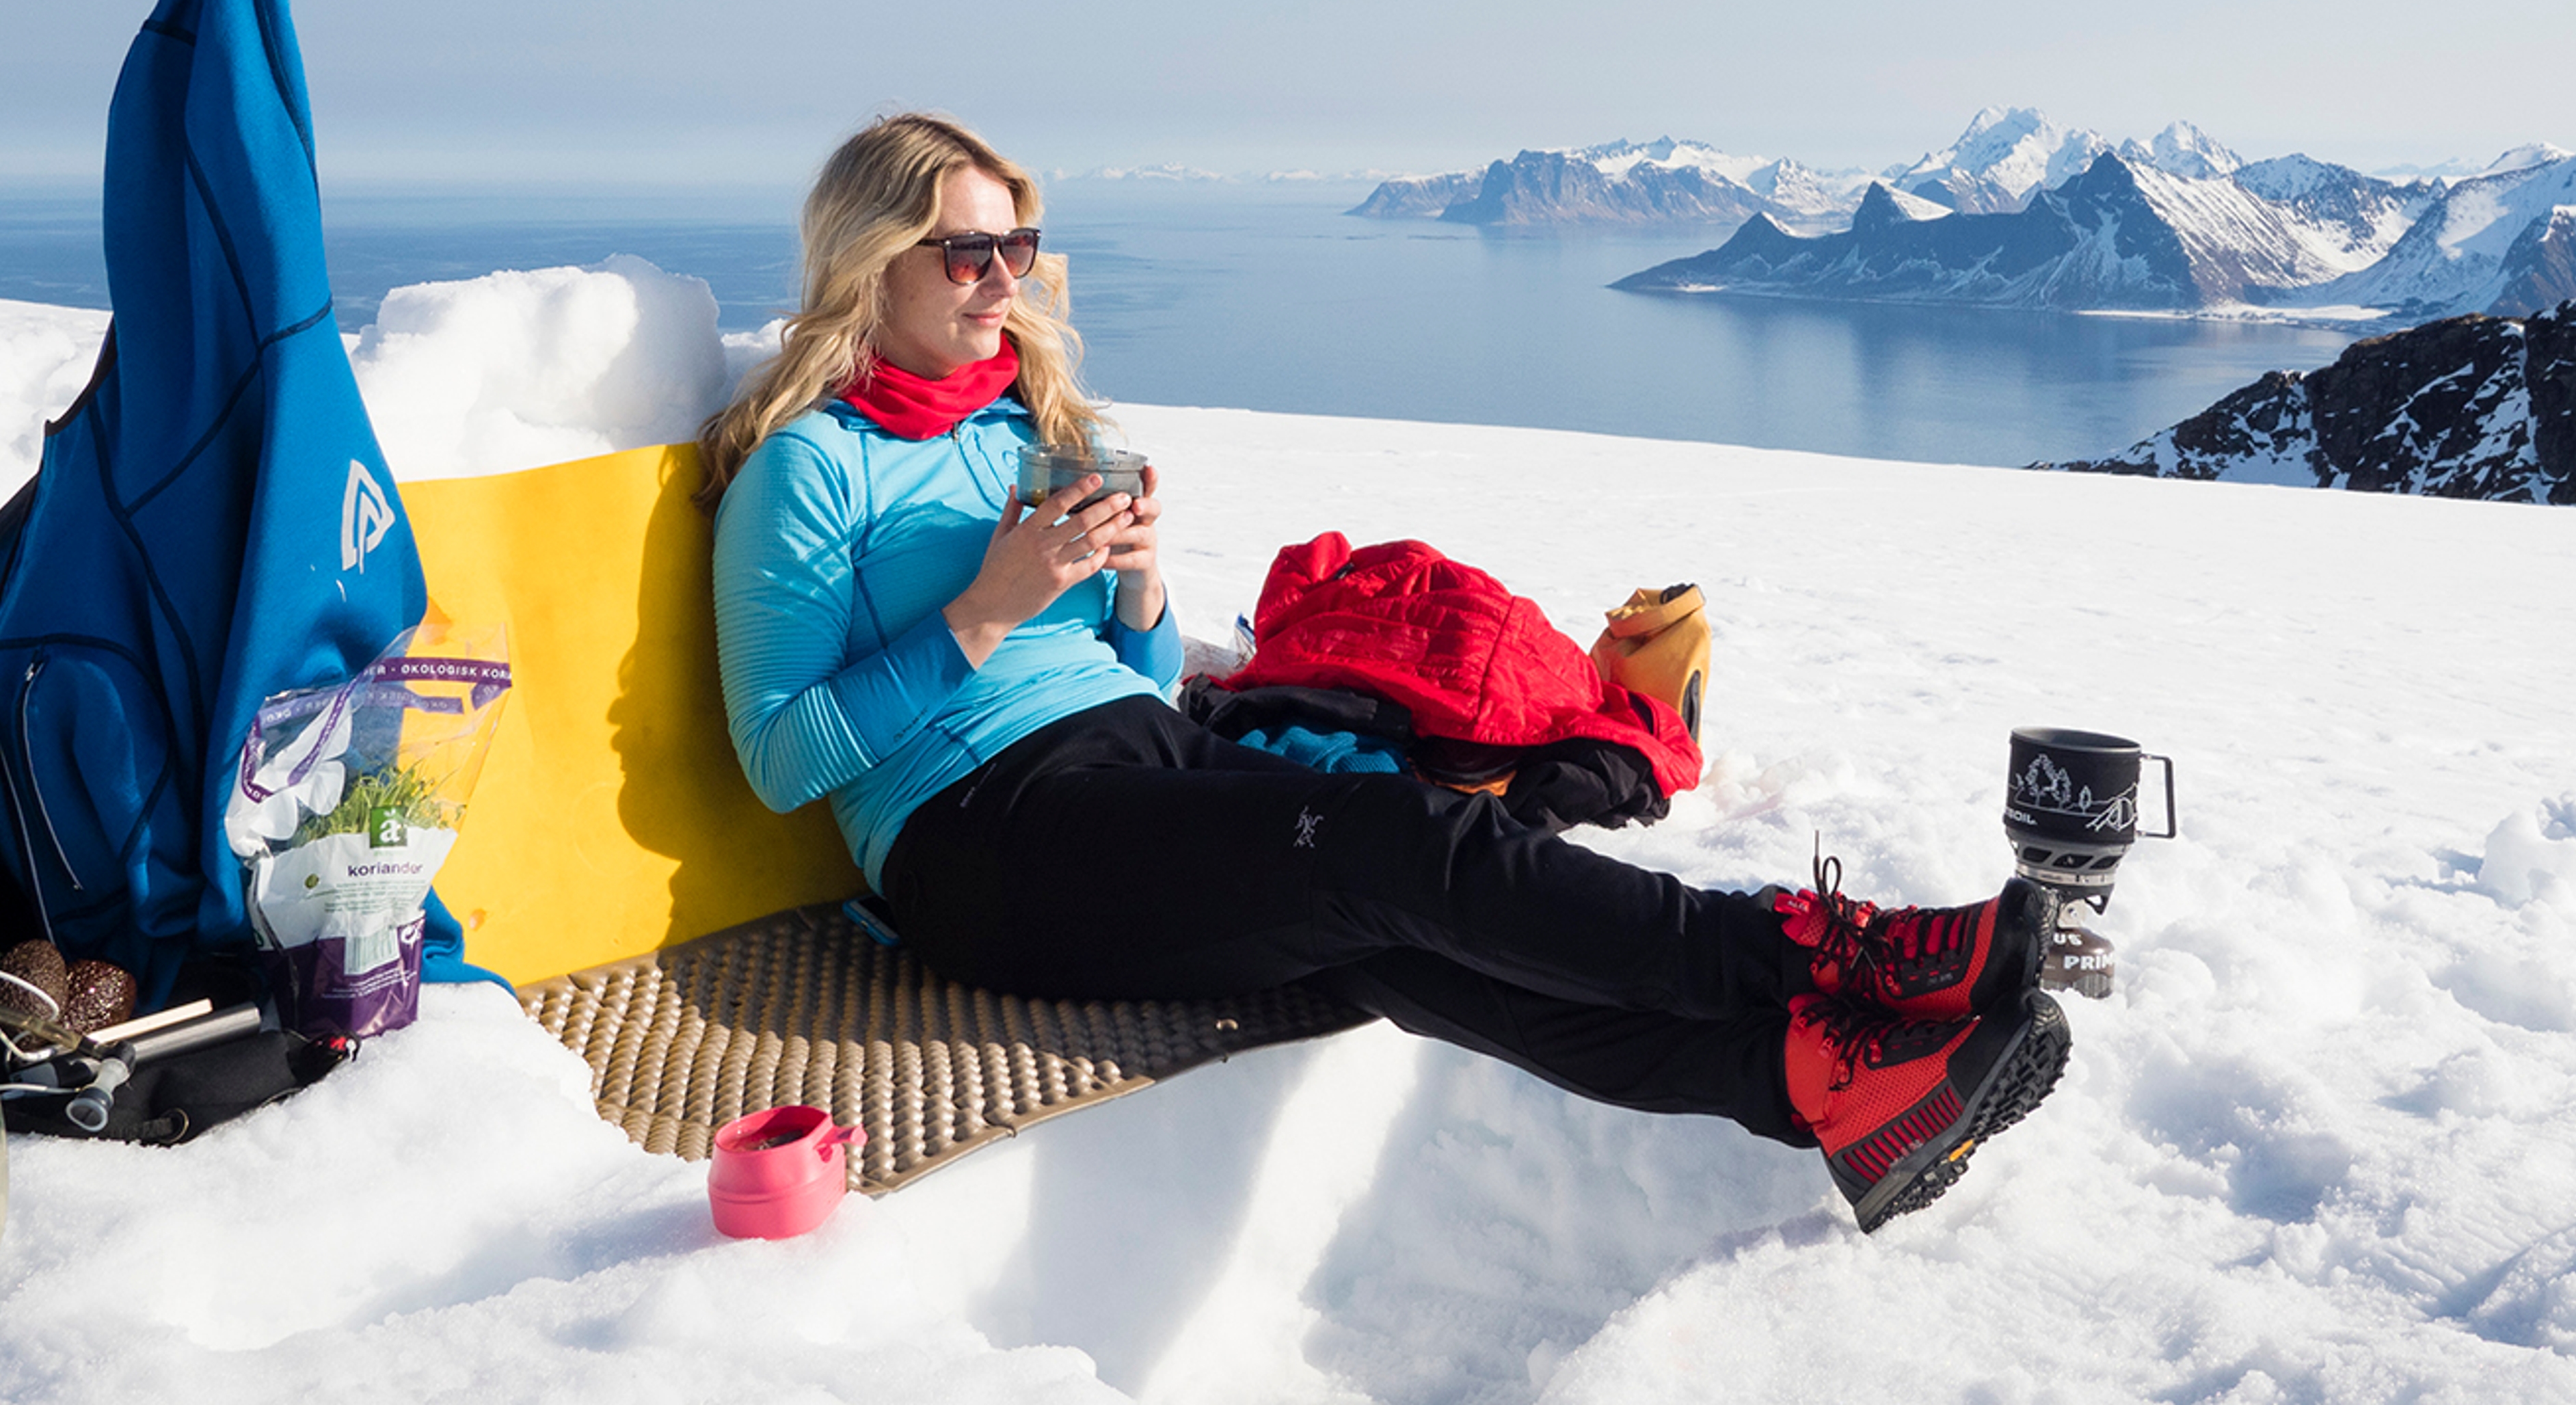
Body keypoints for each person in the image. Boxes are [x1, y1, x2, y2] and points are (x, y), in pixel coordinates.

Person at [702, 113, 2068, 1233]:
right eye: (965, 253)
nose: (1006, 281)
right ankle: (1823, 957)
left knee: (1392, 937)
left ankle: (1817, 1086)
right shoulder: (810, 469)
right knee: (1393, 840)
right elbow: (779, 756)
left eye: (1021, 245)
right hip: (974, 841)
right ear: (872, 262)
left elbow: (1145, 669)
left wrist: (1135, 583)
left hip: (1138, 758)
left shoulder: (1037, 426)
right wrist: (984, 617)